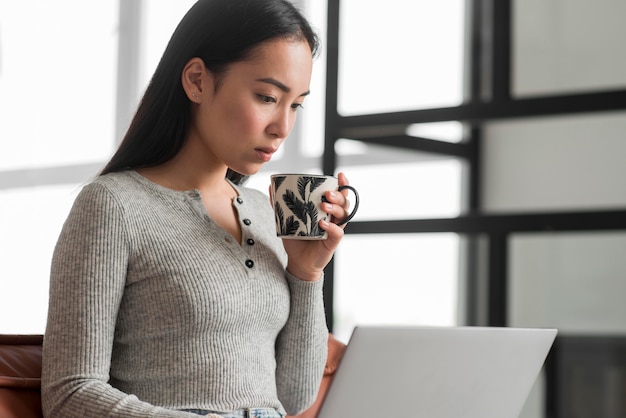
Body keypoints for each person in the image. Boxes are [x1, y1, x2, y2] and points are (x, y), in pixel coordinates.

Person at [41, 1, 353, 417]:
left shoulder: (264, 214)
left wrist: (307, 272)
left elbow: (294, 397)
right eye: (267, 97)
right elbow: (69, 394)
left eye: (295, 104)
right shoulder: (113, 207)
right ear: (197, 81)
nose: (282, 127)